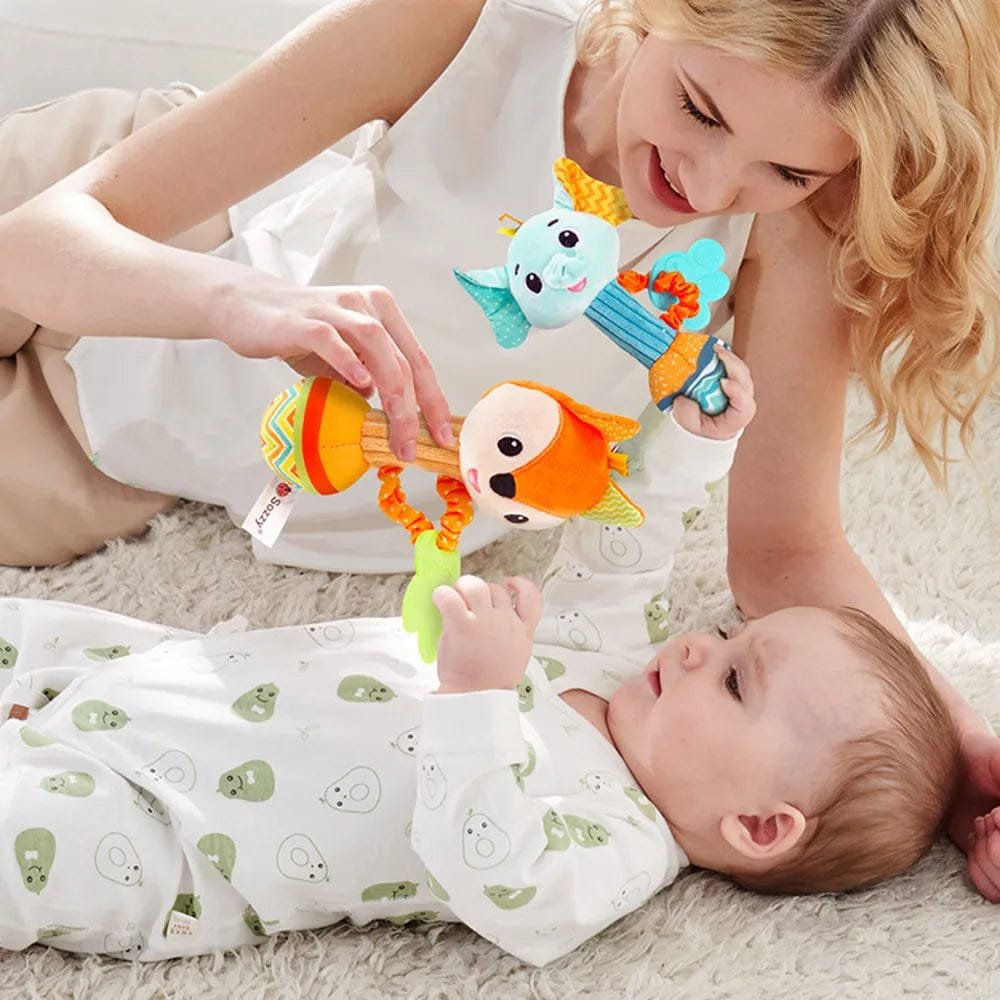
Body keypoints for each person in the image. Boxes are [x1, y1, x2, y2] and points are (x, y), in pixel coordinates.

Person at [0, 0, 996, 894]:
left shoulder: (796, 226)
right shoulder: (461, 28)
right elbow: (36, 242)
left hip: (120, 446)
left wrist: (956, 755)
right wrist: (238, 303)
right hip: (162, 249)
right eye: (700, 109)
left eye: (786, 169)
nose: (710, 184)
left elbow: (786, 548)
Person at [0, 367, 960, 964]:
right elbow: (628, 548)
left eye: (737, 680)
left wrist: (480, 698)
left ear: (759, 826)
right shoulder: (616, 666)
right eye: (732, 638)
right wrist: (694, 450)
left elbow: (502, 876)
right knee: (32, 633)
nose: (699, 645)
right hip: (161, 679)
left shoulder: (617, 847)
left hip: (172, 836)